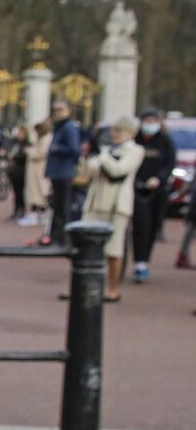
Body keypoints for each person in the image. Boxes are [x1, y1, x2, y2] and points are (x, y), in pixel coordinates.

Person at [81, 115, 143, 301]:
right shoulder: (106, 150)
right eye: (114, 131)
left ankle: (113, 288)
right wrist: (89, 155)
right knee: (87, 246)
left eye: (119, 131)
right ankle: (87, 285)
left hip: (117, 205)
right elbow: (88, 170)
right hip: (96, 202)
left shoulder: (135, 151)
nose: (115, 134)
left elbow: (119, 170)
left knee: (114, 249)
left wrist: (103, 157)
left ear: (130, 133)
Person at [130, 108, 176, 283]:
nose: (150, 125)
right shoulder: (136, 141)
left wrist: (159, 178)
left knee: (153, 227)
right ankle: (139, 262)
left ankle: (146, 260)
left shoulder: (165, 141)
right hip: (138, 190)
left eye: (153, 121)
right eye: (147, 121)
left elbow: (170, 162)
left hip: (158, 191)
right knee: (141, 225)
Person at [42, 98, 84, 247]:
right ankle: (55, 236)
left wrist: (56, 149)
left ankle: (64, 239)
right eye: (55, 110)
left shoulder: (69, 127)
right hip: (58, 172)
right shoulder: (60, 127)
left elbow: (74, 150)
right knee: (57, 206)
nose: (57, 113)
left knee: (63, 207)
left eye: (60, 110)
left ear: (68, 111)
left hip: (64, 172)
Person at [25, 117, 52, 227]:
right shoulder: (42, 138)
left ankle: (39, 214)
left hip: (40, 169)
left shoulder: (46, 139)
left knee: (40, 192)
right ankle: (36, 213)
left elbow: (41, 153)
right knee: (36, 192)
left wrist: (30, 151)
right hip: (36, 169)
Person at [6, 123, 29, 222]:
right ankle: (16, 211)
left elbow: (24, 155)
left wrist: (15, 156)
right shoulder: (15, 143)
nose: (19, 134)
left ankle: (22, 210)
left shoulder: (27, 144)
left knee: (21, 192)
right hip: (14, 172)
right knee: (16, 192)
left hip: (22, 171)